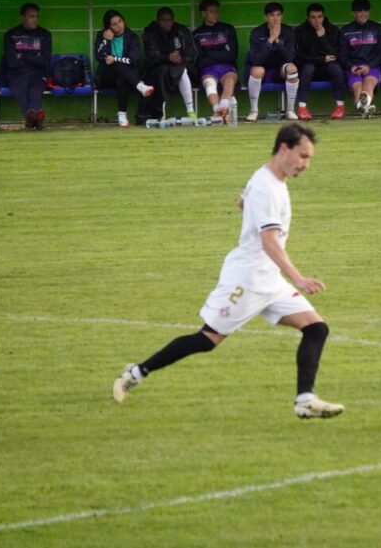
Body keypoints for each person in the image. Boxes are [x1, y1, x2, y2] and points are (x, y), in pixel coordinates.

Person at [112, 122, 344, 420]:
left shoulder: (267, 178)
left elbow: (241, 202)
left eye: (309, 158)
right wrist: (298, 278)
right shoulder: (266, 187)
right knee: (207, 340)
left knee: (316, 328)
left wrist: (250, 210)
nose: (306, 165)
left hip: (268, 280)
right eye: (303, 156)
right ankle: (136, 371)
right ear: (284, 148)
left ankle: (305, 400)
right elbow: (269, 240)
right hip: (246, 280)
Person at [94, 9, 152, 128]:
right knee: (113, 64)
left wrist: (114, 59)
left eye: (120, 21)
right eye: (114, 24)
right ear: (109, 27)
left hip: (126, 77)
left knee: (122, 77)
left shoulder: (132, 37)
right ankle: (140, 86)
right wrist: (106, 40)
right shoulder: (102, 36)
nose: (119, 25)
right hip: (107, 76)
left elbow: (132, 61)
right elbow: (99, 56)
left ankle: (122, 116)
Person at [141, 7, 198, 124]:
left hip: (182, 68)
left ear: (173, 20)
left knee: (182, 70)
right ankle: (164, 112)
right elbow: (152, 56)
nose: (167, 23)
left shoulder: (182, 31)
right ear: (157, 21)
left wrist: (181, 58)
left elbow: (192, 52)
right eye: (163, 20)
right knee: (164, 71)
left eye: (169, 20)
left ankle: (190, 110)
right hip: (157, 70)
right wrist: (167, 57)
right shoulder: (150, 32)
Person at [245, 1, 298, 121]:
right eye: (272, 15)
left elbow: (290, 58)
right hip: (263, 67)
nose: (275, 18)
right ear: (266, 17)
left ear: (282, 16)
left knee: (292, 68)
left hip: (281, 68)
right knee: (256, 71)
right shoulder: (256, 32)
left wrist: (278, 42)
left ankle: (290, 110)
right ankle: (253, 111)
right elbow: (256, 60)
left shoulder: (288, 31)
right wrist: (270, 40)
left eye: (278, 15)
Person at [3, 2, 52, 129]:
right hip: (17, 72)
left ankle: (31, 114)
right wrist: (35, 58)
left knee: (35, 89)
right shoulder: (11, 35)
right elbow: (12, 62)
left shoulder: (44, 34)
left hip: (38, 72)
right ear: (22, 17)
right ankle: (35, 113)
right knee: (20, 88)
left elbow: (45, 61)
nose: (35, 19)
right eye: (31, 16)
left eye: (36, 16)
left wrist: (23, 56)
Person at [294, 2, 346, 121]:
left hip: (328, 66)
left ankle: (340, 107)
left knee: (336, 68)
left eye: (319, 17)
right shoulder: (300, 31)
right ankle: (302, 108)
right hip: (310, 64)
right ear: (308, 18)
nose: (317, 20)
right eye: (313, 17)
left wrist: (322, 36)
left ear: (324, 17)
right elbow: (299, 56)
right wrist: (320, 59)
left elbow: (336, 54)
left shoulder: (332, 29)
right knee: (308, 68)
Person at [192, 0, 239, 122]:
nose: (215, 14)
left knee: (229, 82)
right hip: (208, 70)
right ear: (203, 13)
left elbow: (232, 56)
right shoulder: (197, 33)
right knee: (210, 85)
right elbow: (200, 60)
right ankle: (220, 113)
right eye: (212, 11)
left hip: (228, 68)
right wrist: (222, 50)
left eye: (217, 11)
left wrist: (209, 52)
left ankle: (219, 112)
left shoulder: (228, 29)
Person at [340, 0, 381, 118]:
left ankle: (362, 108)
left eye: (365, 11)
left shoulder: (377, 29)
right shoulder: (346, 31)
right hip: (353, 68)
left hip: (372, 67)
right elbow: (343, 55)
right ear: (353, 13)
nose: (363, 14)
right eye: (359, 11)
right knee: (358, 86)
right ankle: (364, 108)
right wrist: (351, 66)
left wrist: (369, 66)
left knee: (368, 83)